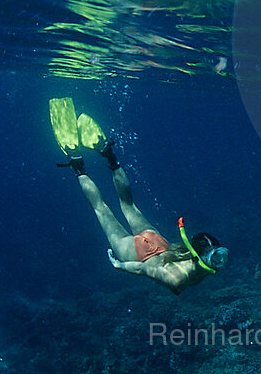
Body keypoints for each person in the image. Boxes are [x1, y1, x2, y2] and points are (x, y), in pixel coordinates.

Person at [51, 98, 228, 294]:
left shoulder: (190, 255)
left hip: (160, 243)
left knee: (129, 205)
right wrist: (119, 265)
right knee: (101, 209)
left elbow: (197, 247)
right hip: (139, 255)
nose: (220, 260)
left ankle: (110, 156)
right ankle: (77, 165)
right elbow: (143, 269)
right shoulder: (178, 280)